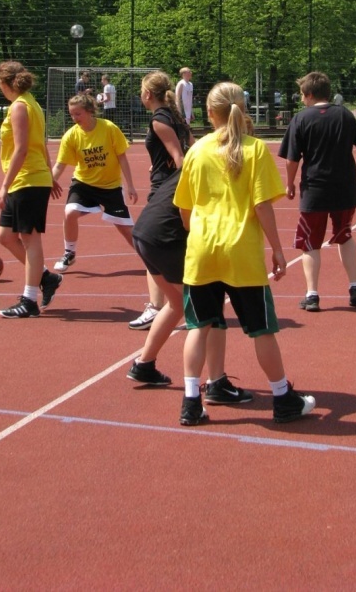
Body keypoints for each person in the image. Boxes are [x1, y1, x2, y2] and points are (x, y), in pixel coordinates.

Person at [174, 82, 316, 426]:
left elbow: (184, 209)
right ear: (243, 110)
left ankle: (191, 402)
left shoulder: (198, 150)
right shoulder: (254, 150)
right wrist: (278, 250)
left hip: (203, 250)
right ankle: (282, 398)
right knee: (262, 329)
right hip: (242, 251)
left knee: (199, 326)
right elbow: (262, 205)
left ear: (210, 114)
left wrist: (202, 237)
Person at [127, 169, 252, 405]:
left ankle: (144, 363)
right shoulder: (219, 165)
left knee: (176, 304)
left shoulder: (198, 156)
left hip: (145, 233)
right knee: (211, 309)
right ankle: (217, 383)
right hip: (167, 237)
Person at [279, 71, 356, 313]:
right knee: (345, 235)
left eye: (301, 95)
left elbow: (292, 159)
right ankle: (355, 286)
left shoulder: (300, 119)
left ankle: (312, 294)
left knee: (310, 242)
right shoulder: (345, 115)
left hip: (315, 189)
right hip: (345, 187)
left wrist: (289, 183)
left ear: (309, 95)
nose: (300, 99)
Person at [0, 60, 63, 318]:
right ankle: (45, 277)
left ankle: (29, 300)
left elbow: (23, 148)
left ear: (3, 83)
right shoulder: (29, 102)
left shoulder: (21, 106)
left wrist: (4, 185)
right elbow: (40, 143)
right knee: (6, 236)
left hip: (28, 179)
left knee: (30, 238)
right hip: (32, 177)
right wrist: (50, 172)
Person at [131, 71, 195, 330]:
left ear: (148, 94)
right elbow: (192, 145)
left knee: (149, 244)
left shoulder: (159, 120)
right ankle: (176, 303)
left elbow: (180, 157)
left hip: (166, 189)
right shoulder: (175, 116)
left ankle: (157, 307)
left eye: (141, 91)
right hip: (169, 183)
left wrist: (179, 186)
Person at [51, 93, 138, 274]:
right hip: (84, 184)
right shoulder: (71, 136)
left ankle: (152, 258)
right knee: (70, 212)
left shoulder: (109, 128)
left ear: (90, 111)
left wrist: (130, 185)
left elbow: (122, 157)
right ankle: (69, 252)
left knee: (126, 230)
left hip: (111, 187)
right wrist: (48, 182)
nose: (74, 118)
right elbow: (60, 164)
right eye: (72, 114)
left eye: (78, 114)